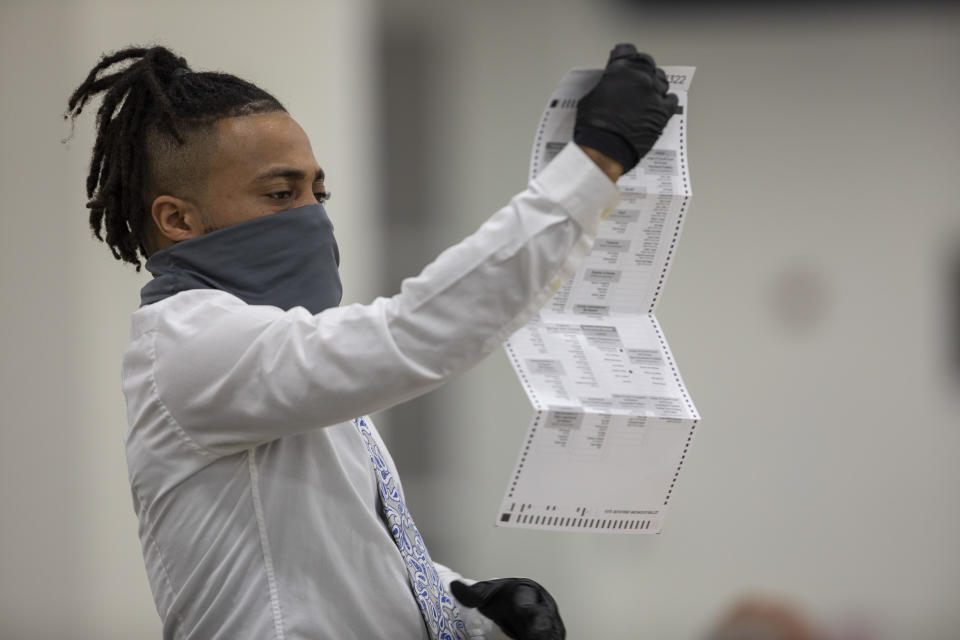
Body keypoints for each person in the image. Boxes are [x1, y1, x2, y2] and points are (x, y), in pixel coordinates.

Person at [66, 43, 677, 640]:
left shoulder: (269, 353)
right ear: (178, 220)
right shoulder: (191, 344)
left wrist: (466, 606)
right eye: (281, 194)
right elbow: (415, 333)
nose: (313, 215)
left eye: (317, 193)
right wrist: (593, 164)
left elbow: (328, 565)